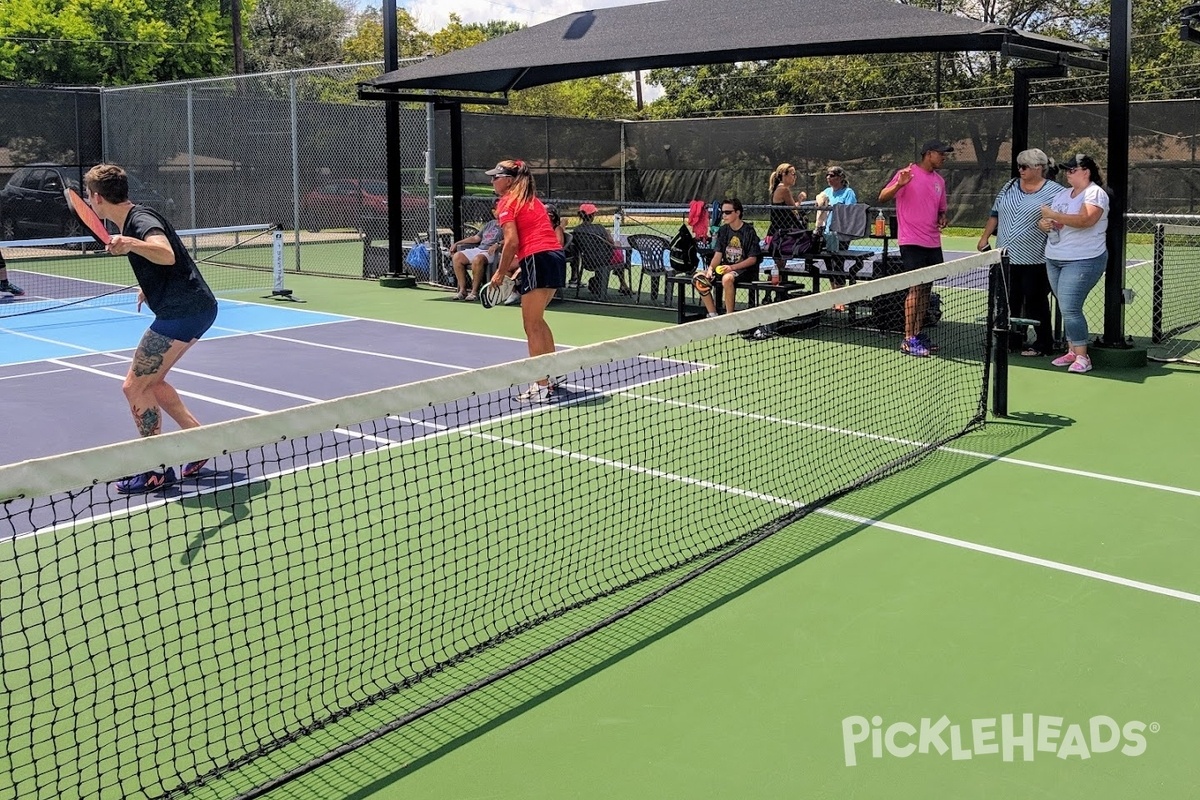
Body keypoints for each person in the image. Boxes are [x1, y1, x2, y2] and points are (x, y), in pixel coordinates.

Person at [84, 163, 218, 493]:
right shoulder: (137, 216)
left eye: (88, 197)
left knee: (133, 388)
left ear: (97, 198)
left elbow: (165, 253)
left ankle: (156, 470)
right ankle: (199, 442)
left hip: (182, 313)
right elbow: (162, 263)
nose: (89, 203)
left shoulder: (139, 221)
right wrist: (150, 285)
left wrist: (129, 243)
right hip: (193, 308)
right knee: (152, 384)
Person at [485, 159, 567, 402]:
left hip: (537, 258)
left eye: (495, 177)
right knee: (538, 321)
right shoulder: (534, 201)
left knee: (530, 325)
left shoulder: (506, 203)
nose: (492, 181)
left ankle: (540, 387)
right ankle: (552, 376)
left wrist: (500, 273)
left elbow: (512, 242)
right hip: (555, 257)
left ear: (508, 181)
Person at [976, 148, 1061, 357]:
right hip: (1005, 257)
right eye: (1019, 166)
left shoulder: (1055, 191)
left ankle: (1043, 344)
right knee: (1007, 301)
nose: (1020, 170)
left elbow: (1061, 220)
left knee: (1035, 301)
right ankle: (1011, 340)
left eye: (1025, 166)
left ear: (1039, 168)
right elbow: (995, 213)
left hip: (1035, 259)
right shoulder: (1010, 186)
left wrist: (1050, 225)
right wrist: (984, 237)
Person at [878, 139, 954, 357]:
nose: (944, 157)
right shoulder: (907, 173)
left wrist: (942, 218)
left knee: (926, 289)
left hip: (932, 241)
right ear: (928, 154)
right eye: (941, 154)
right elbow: (882, 197)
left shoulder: (939, 180)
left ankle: (917, 334)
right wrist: (900, 184)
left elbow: (940, 210)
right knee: (915, 288)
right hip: (911, 241)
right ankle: (908, 339)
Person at [1038, 153, 1110, 374]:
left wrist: (1054, 214)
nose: (1068, 174)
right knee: (1065, 306)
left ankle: (1082, 357)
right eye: (1066, 170)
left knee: (1070, 307)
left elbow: (1086, 220)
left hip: (1083, 259)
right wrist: (1045, 223)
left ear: (1086, 172)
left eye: (1072, 170)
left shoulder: (1095, 193)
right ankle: (1072, 350)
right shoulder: (1062, 194)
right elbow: (1051, 220)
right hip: (1055, 257)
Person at [698, 197, 762, 318]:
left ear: (737, 213)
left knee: (727, 279)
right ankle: (713, 314)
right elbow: (718, 255)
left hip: (745, 271)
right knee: (698, 278)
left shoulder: (749, 231)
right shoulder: (723, 230)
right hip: (726, 269)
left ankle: (729, 318)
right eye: (723, 212)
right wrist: (711, 269)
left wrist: (731, 267)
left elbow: (752, 259)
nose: (724, 215)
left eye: (728, 212)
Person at [573, 202, 632, 295]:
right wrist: (607, 233)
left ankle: (620, 283)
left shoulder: (576, 230)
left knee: (616, 250)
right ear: (592, 215)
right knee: (618, 246)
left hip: (587, 261)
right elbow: (612, 243)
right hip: (604, 259)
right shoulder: (600, 228)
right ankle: (623, 284)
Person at [449, 203, 502, 301]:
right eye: (496, 210)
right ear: (493, 212)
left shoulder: (508, 224)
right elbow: (476, 238)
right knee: (457, 256)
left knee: (477, 259)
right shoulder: (490, 223)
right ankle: (463, 290)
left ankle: (474, 292)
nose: (498, 212)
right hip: (480, 249)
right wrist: (457, 243)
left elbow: (511, 239)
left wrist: (497, 244)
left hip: (493, 252)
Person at [766, 163, 807, 272]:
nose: (795, 177)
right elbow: (794, 208)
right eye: (793, 174)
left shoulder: (779, 188)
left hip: (777, 232)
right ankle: (775, 284)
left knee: (780, 266)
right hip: (781, 235)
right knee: (780, 266)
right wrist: (800, 199)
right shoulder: (784, 189)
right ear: (784, 175)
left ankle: (776, 283)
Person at [814, 165, 858, 248]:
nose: (828, 177)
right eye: (827, 175)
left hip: (841, 232)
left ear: (840, 178)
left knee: (838, 259)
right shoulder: (826, 191)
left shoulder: (848, 192)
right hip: (825, 232)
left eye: (832, 175)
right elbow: (819, 203)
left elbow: (850, 211)